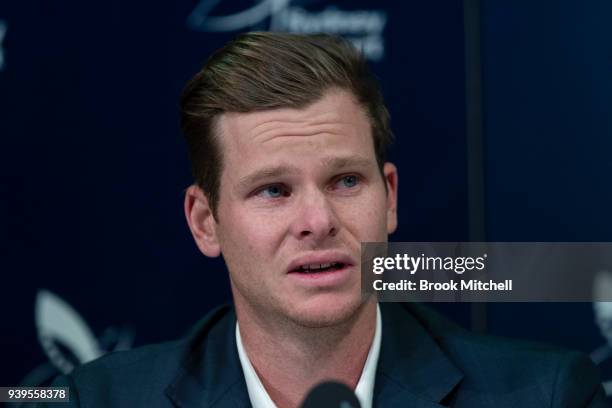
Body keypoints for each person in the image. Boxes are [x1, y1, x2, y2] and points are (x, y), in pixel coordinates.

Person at [40, 32, 606, 407]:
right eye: (273, 190)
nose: (317, 220)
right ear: (204, 222)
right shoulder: (97, 401)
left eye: (345, 182)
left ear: (389, 197)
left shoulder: (544, 396)